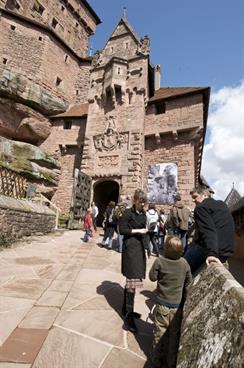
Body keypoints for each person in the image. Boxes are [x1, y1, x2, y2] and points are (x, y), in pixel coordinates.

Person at [149, 236, 192, 368]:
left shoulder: (160, 261)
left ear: (166, 249)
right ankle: (170, 363)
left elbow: (152, 277)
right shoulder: (184, 263)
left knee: (159, 334)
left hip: (162, 305)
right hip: (176, 307)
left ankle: (156, 362)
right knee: (173, 337)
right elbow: (189, 282)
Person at [184, 186, 235, 273]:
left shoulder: (201, 207)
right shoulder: (222, 204)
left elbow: (208, 230)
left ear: (204, 195)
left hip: (213, 249)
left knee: (182, 265)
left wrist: (212, 253)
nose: (193, 200)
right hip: (227, 250)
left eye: (195, 197)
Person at [119, 189, 150, 333]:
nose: (143, 204)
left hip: (139, 251)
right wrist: (138, 232)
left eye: (144, 202)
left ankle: (125, 309)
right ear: (135, 200)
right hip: (130, 249)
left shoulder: (143, 214)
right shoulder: (127, 213)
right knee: (131, 281)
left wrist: (147, 248)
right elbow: (122, 230)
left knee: (134, 280)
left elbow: (145, 233)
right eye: (141, 201)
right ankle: (129, 319)